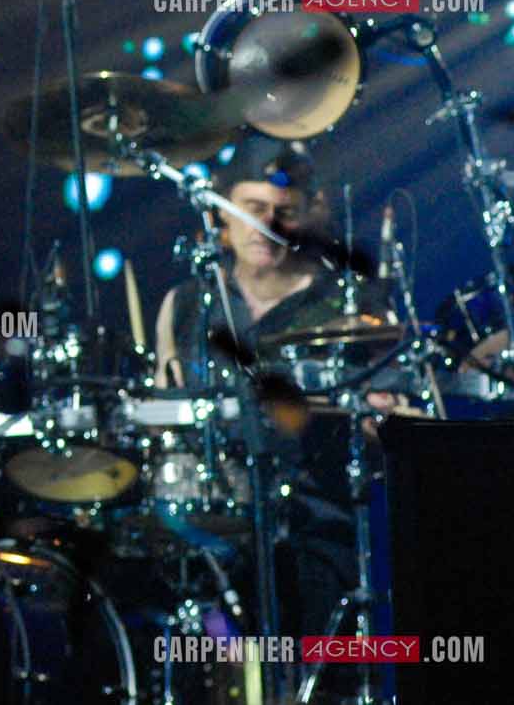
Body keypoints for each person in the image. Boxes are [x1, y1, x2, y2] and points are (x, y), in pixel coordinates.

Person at [152, 136, 403, 698]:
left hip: (318, 519)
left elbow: (387, 418)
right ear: (222, 212)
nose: (266, 226)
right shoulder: (187, 303)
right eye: (253, 208)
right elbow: (165, 416)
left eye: (283, 213)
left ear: (309, 216)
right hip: (216, 521)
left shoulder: (351, 304)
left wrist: (381, 419)